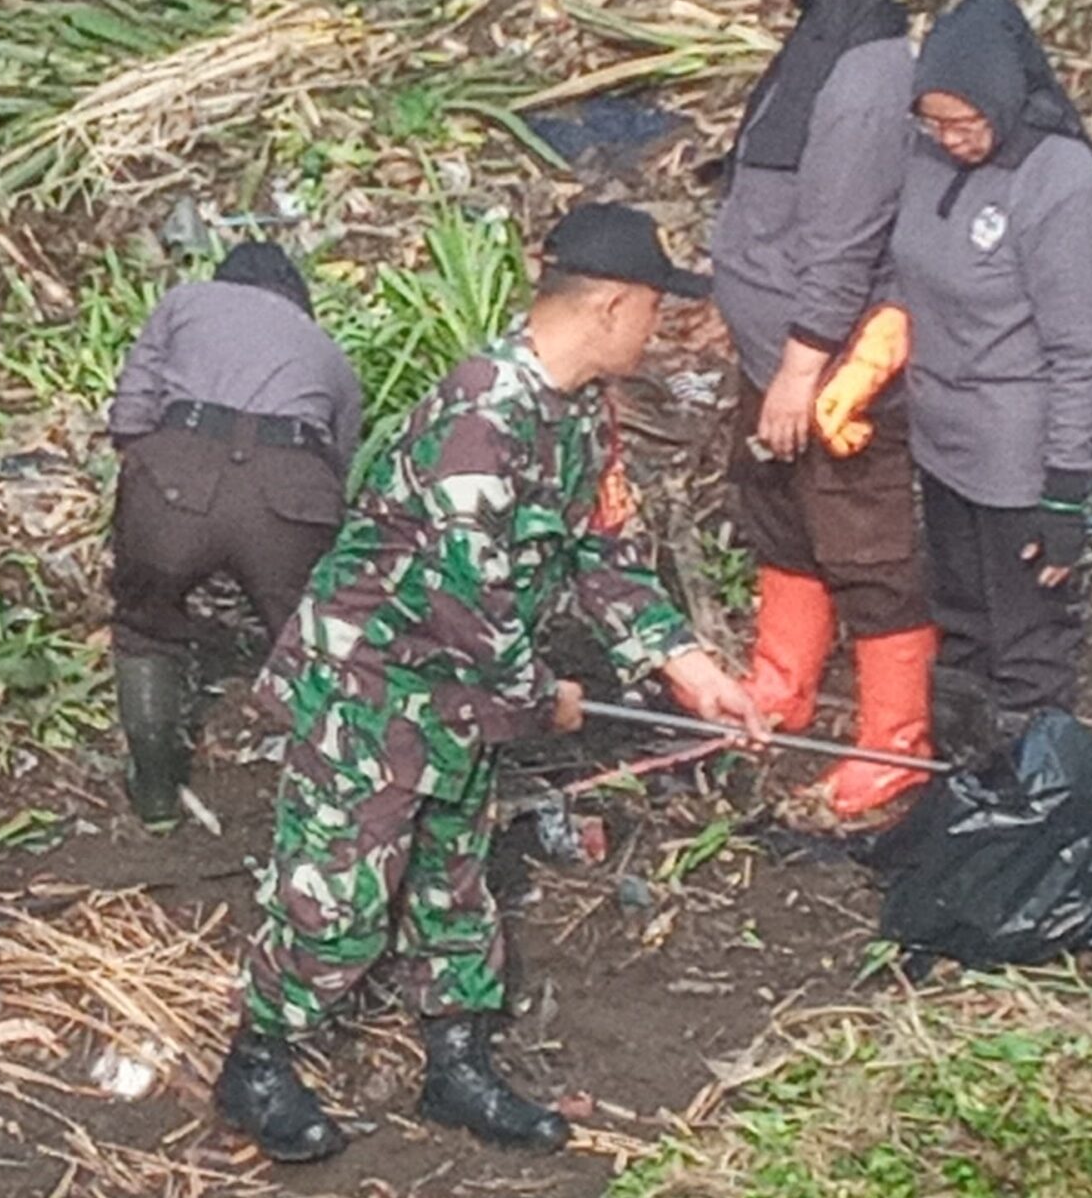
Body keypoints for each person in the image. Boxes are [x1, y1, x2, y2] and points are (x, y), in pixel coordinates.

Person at [213, 205, 769, 1164]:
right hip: (376, 692)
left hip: (460, 705)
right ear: (611, 305)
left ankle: (455, 1064)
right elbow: (467, 596)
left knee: (452, 886)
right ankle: (259, 1059)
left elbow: (605, 553)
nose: (660, 331)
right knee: (339, 897)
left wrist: (689, 667)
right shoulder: (483, 413)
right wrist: (536, 696)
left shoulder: (580, 412)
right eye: (653, 311)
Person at [711, 0, 937, 817]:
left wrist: (804, 366)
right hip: (773, 356)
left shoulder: (866, 79)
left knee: (867, 543)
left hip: (833, 370)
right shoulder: (817, 49)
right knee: (781, 517)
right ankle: (784, 682)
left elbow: (844, 239)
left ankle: (895, 740)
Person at [887, 0, 1092, 722]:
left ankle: (1033, 796)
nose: (951, 139)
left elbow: (1078, 350)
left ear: (1004, 99)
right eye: (935, 123)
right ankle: (966, 788)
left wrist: (1065, 493)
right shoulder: (929, 158)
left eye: (967, 123)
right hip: (941, 437)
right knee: (961, 626)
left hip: (1015, 454)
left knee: (1025, 646)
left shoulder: (1060, 182)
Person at [106, 242, 364, 829]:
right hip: (290, 490)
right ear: (297, 300)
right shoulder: (333, 356)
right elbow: (336, 465)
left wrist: (146, 468)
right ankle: (339, 802)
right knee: (312, 646)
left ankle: (156, 798)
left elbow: (132, 405)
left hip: (178, 475)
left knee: (145, 625)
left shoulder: (187, 300)